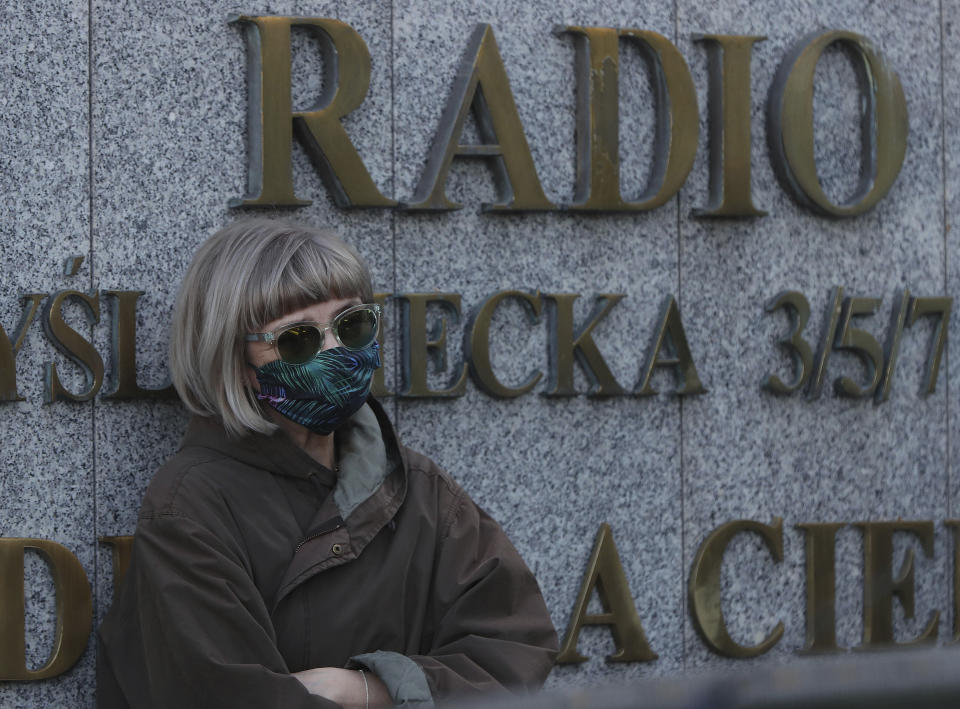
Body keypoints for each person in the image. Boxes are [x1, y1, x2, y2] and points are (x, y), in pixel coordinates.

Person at [97, 219, 558, 709]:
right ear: (235, 363)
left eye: (351, 324)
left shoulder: (418, 487)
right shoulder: (190, 508)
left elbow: (516, 646)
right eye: (298, 339)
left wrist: (371, 687)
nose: (337, 350)